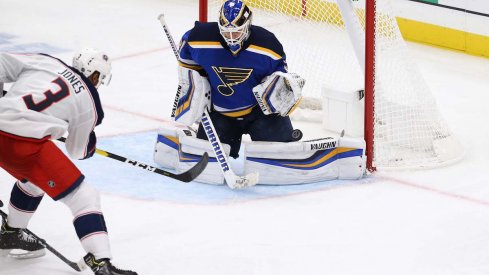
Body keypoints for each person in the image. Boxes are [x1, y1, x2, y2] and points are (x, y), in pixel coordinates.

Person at [0, 49, 137, 275]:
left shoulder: (45, 61)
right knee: (84, 197)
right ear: (94, 76)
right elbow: (77, 150)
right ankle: (101, 262)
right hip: (26, 146)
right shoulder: (91, 102)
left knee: (35, 180)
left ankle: (12, 232)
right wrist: (90, 143)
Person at [176, 0, 305, 158]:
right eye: (226, 32)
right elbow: (185, 52)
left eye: (236, 32)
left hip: (260, 112)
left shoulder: (267, 45)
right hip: (221, 114)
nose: (231, 37)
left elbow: (279, 75)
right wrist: (194, 81)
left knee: (283, 155)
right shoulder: (199, 39)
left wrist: (282, 87)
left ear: (247, 25)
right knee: (208, 158)